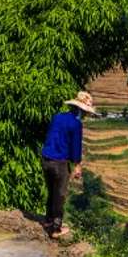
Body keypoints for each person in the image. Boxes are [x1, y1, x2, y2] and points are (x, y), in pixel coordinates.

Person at [40, 91, 97, 238]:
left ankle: (48, 220)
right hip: (59, 163)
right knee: (60, 194)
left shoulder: (58, 117)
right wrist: (77, 166)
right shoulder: (76, 124)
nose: (86, 115)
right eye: (85, 112)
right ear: (80, 110)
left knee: (51, 190)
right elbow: (75, 146)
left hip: (46, 159)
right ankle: (55, 229)